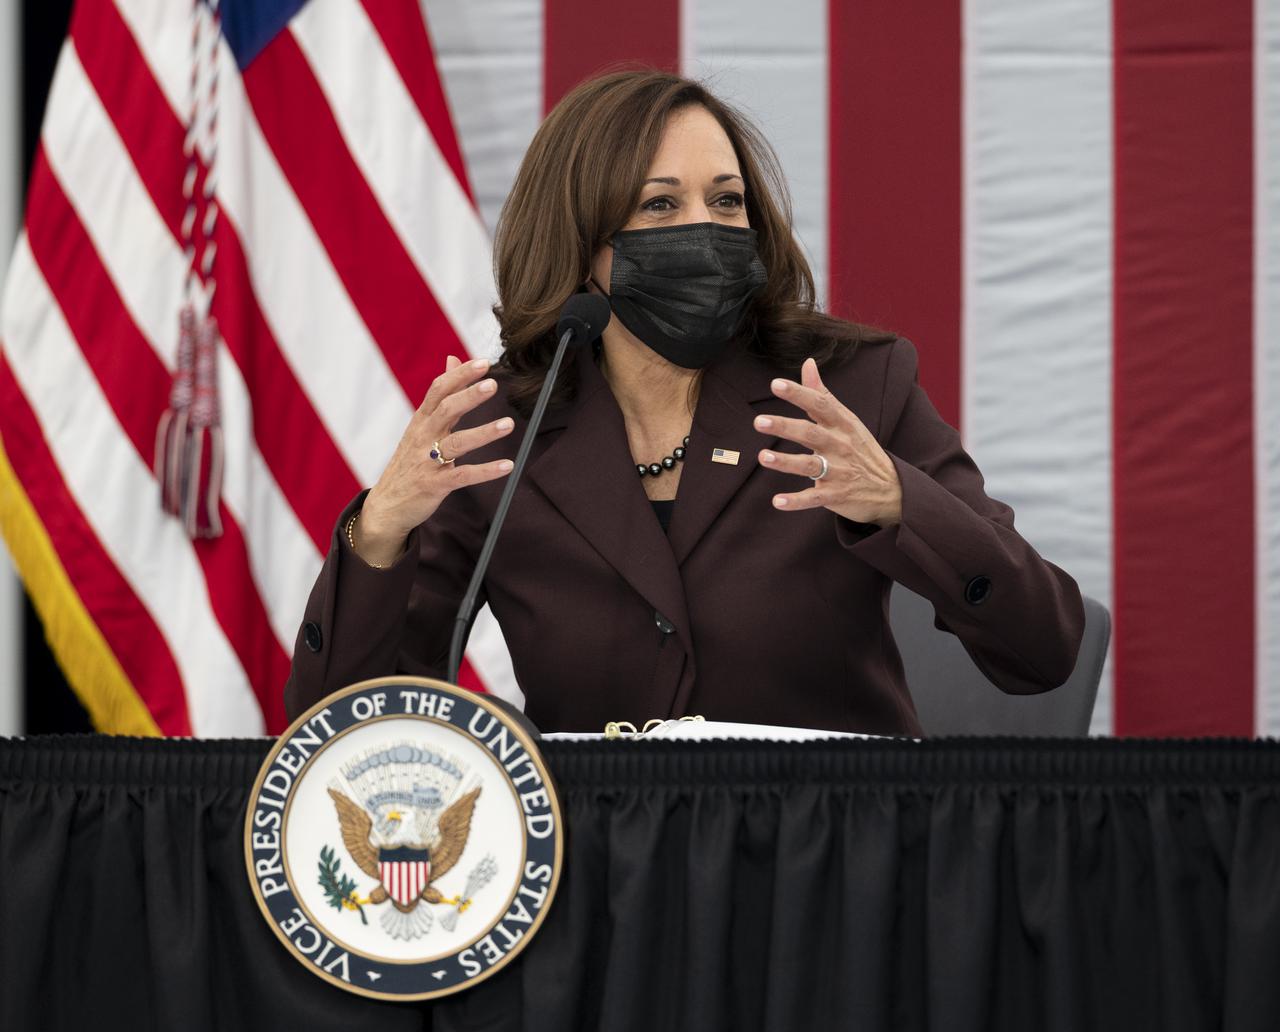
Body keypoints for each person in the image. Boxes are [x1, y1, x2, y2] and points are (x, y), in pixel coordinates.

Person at [283, 71, 1084, 736]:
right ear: (581, 241)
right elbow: (343, 730)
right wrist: (379, 531)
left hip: (837, 858)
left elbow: (1044, 648)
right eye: (660, 205)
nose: (705, 229)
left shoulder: (849, 386)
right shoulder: (504, 434)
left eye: (727, 202)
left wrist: (902, 504)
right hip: (596, 871)